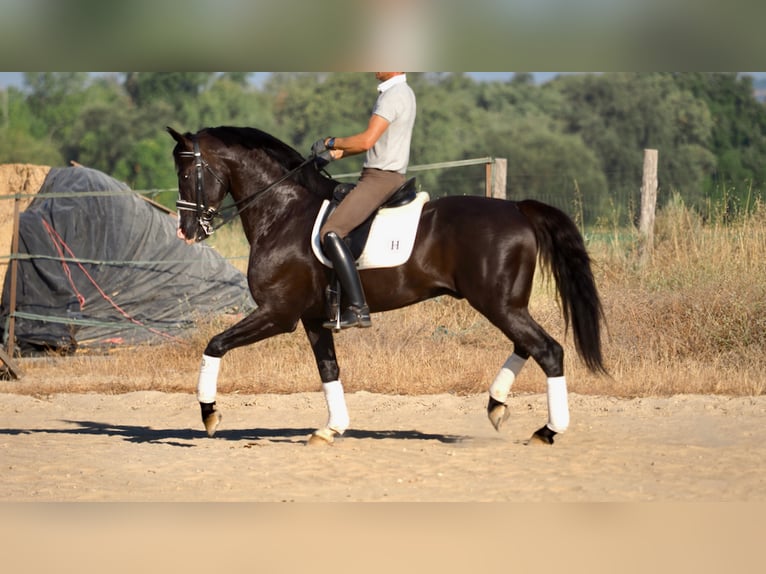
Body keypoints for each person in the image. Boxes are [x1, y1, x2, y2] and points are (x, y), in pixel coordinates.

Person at [311, 72, 416, 329]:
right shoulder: (400, 92)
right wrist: (334, 155)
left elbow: (367, 140)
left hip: (380, 179)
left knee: (331, 232)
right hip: (382, 174)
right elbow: (375, 145)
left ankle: (358, 308)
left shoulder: (393, 96)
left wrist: (331, 141)